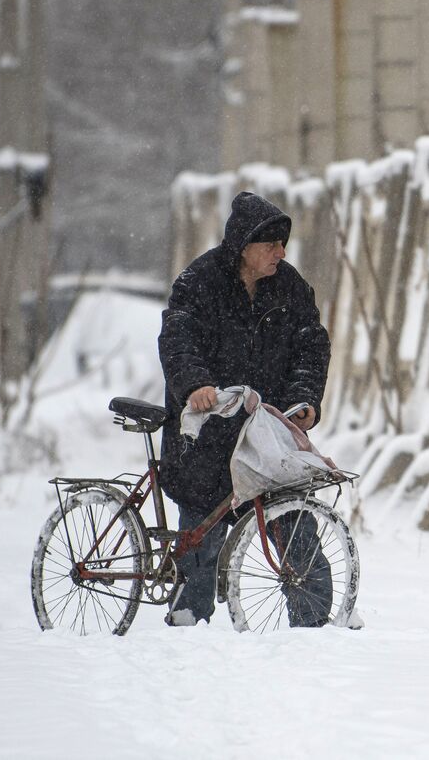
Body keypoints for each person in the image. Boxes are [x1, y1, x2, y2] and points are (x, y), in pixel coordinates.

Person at [158, 190, 331, 625]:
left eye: (282, 244)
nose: (281, 252)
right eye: (271, 244)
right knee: (201, 535)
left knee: (294, 519)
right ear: (244, 246)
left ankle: (316, 628)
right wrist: (196, 384)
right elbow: (177, 338)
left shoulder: (289, 288)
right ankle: (187, 624)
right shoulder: (199, 283)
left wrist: (303, 400)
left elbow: (311, 346)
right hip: (209, 437)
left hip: (264, 434)